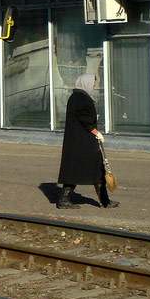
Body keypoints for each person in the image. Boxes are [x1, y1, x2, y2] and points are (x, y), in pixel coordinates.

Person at [56, 73, 118, 209]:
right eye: (93, 84)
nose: (94, 87)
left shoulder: (75, 97)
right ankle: (104, 201)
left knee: (77, 170)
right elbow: (85, 118)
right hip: (84, 141)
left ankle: (103, 201)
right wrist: (96, 133)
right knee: (97, 169)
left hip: (77, 141)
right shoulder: (82, 98)